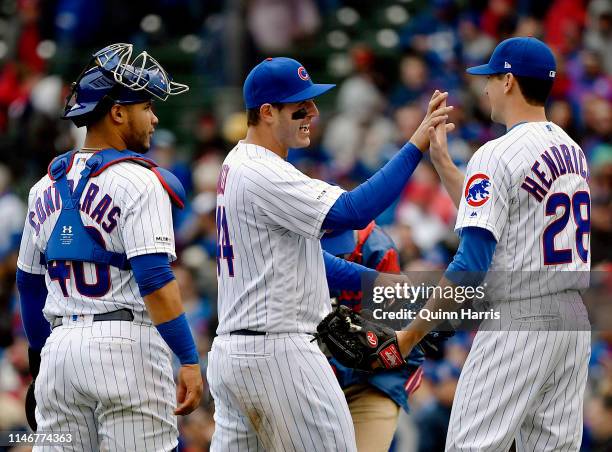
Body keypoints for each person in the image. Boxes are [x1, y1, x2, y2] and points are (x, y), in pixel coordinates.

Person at [207, 56, 453, 451]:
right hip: (281, 353)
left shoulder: (239, 164)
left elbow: (308, 261)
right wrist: (416, 144)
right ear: (267, 112)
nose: (313, 113)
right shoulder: (262, 170)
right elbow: (354, 212)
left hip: (235, 356)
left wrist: (379, 281)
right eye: (300, 106)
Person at [396, 37, 592, 451]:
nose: (483, 87)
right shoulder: (571, 149)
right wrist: (446, 166)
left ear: (508, 80)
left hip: (520, 318)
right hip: (571, 321)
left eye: (490, 77)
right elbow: (499, 220)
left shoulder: (496, 153)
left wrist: (413, 333)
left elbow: (472, 260)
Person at [16, 43, 203, 451]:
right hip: (125, 346)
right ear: (117, 111)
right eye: (146, 107)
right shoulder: (139, 181)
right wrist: (188, 358)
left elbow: (28, 285)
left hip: (60, 349)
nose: (153, 118)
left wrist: (38, 360)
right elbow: (154, 278)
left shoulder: (42, 187)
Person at [321, 225, 426, 452]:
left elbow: (400, 348)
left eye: (340, 252)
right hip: (318, 383)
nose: (337, 258)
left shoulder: (378, 251)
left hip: (373, 383)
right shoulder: (295, 246)